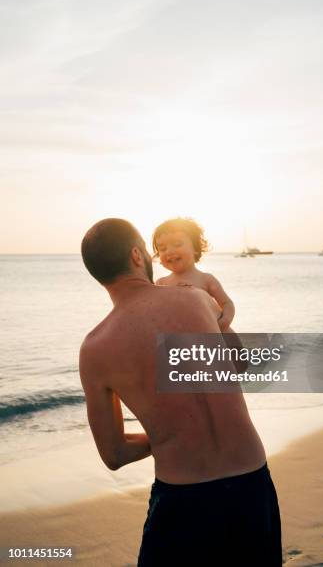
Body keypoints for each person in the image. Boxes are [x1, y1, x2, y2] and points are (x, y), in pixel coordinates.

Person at [79, 218, 282, 566]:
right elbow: (240, 364)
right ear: (136, 255)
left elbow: (114, 454)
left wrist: (168, 434)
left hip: (184, 498)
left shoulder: (95, 348)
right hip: (252, 484)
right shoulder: (199, 299)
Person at [153, 217, 235, 332]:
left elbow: (226, 303)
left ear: (195, 248)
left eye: (177, 244)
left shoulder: (206, 279)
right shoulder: (161, 283)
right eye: (163, 248)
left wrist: (225, 320)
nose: (169, 251)